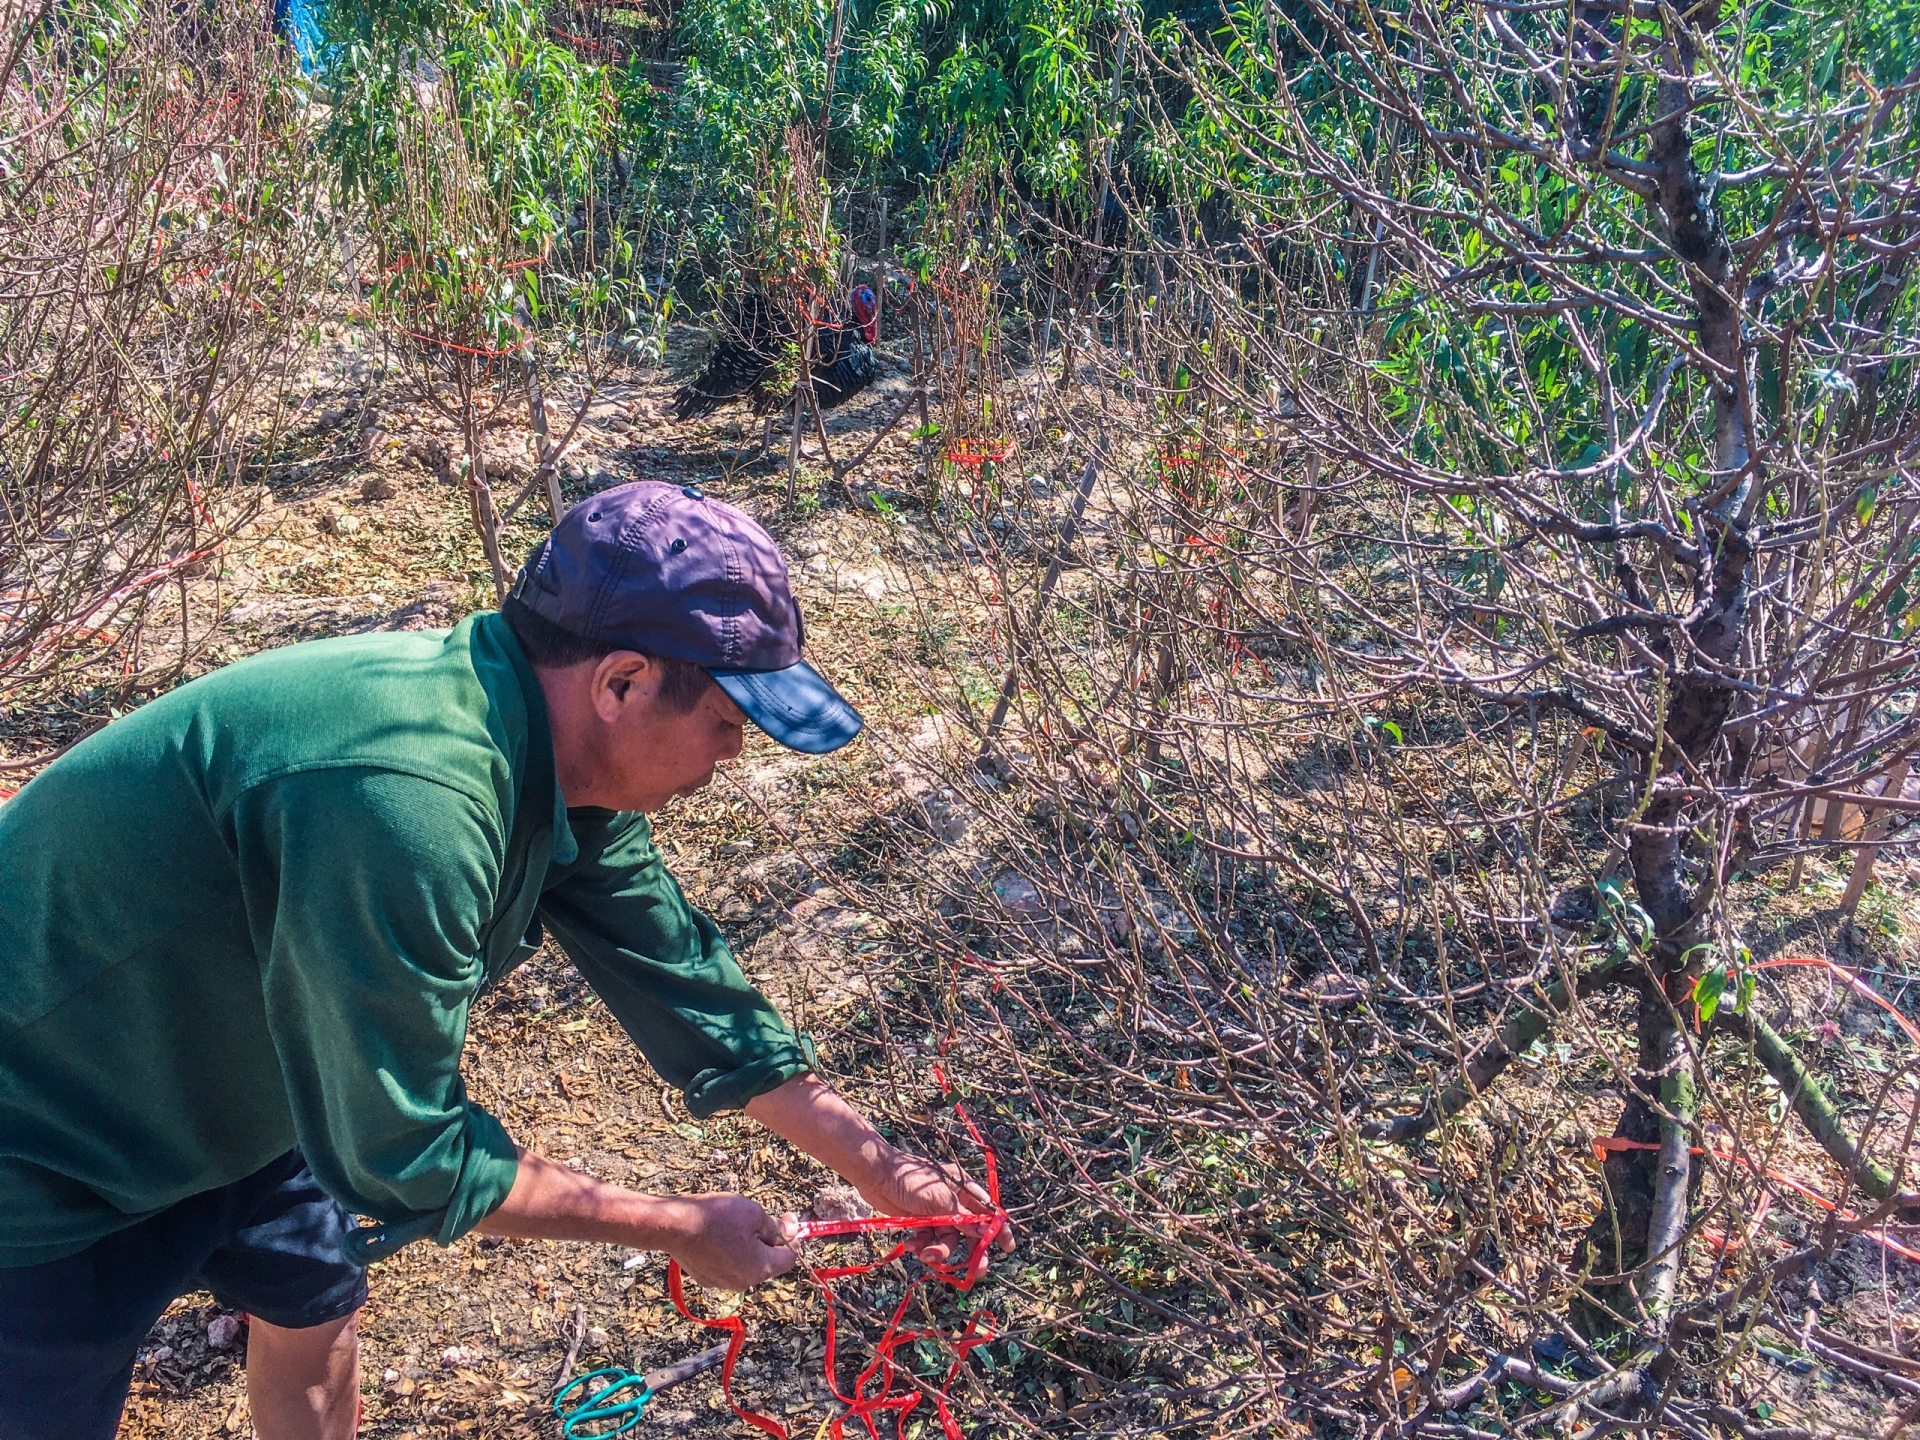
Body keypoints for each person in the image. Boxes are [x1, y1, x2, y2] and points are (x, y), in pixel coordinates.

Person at [0, 481, 1011, 1439]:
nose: (735, 751)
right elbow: (409, 1155)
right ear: (621, 681)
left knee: (311, 1305)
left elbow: (685, 979)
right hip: (48, 1143)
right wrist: (677, 1228)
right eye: (728, 720)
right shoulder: (410, 804)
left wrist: (885, 1175)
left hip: (239, 1085)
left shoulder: (541, 751)